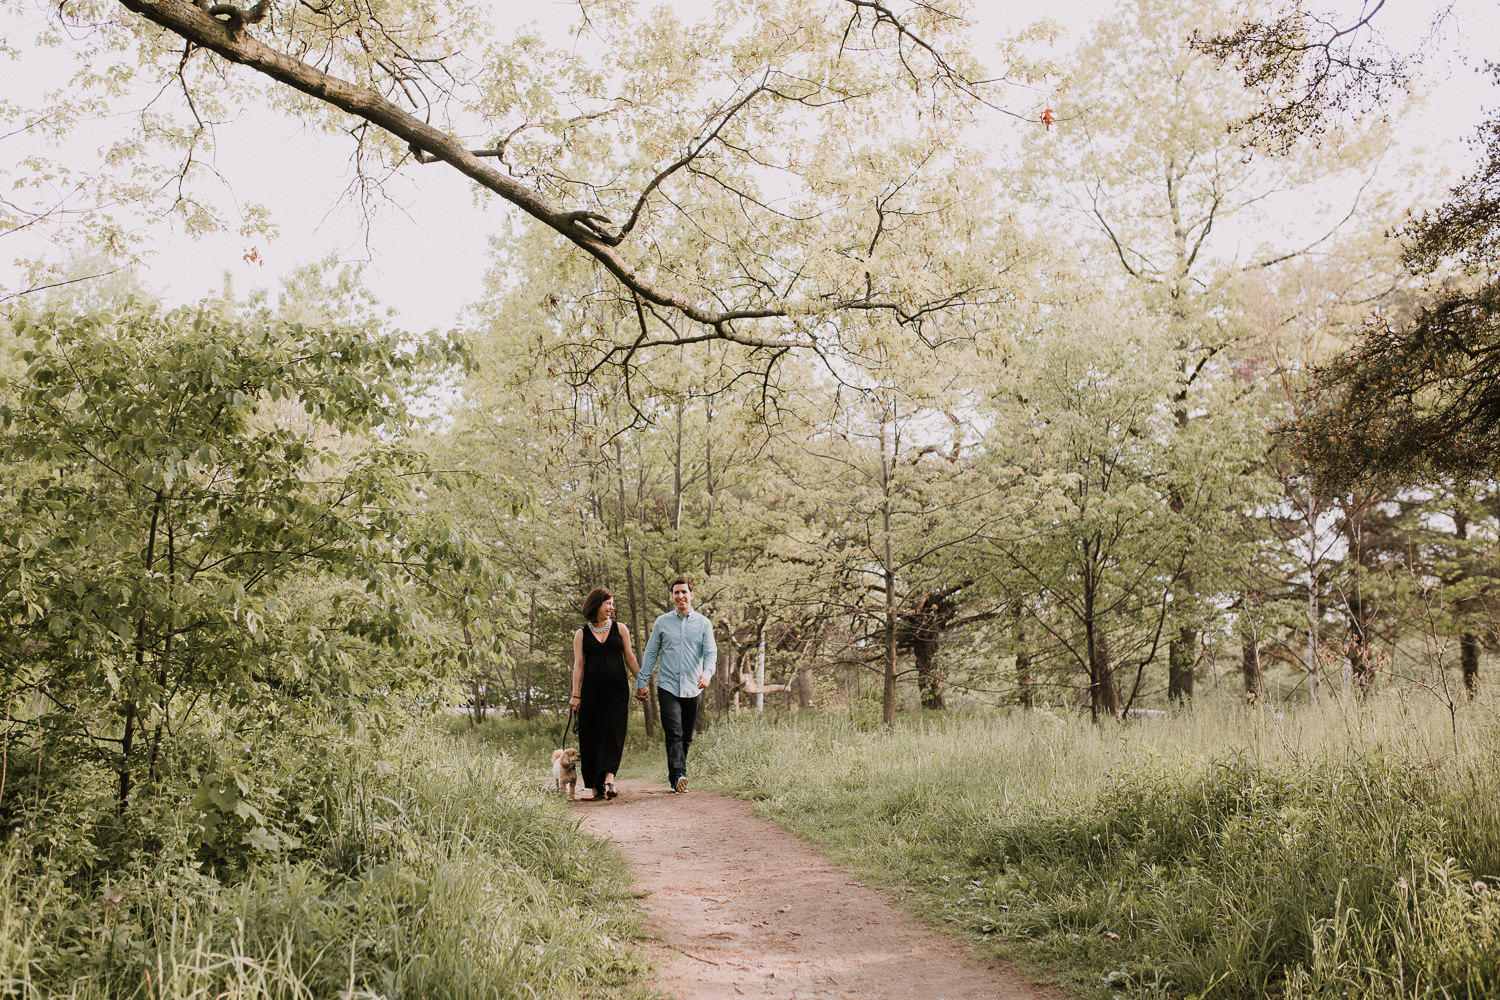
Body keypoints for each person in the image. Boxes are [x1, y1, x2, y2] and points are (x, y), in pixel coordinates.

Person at [635, 577, 717, 793]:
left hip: (694, 687)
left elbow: (710, 653)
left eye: (683, 592)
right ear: (672, 597)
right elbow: (652, 653)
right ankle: (678, 775)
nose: (680, 596)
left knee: (687, 735)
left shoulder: (703, 623)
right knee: (674, 732)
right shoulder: (662, 622)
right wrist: (641, 680)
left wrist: (707, 674)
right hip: (668, 686)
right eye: (676, 592)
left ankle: (679, 773)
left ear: (691, 594)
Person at [569, 588, 640, 801]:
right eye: (608, 603)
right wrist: (575, 694)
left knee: (615, 732)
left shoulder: (621, 629)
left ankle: (610, 778)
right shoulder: (581, 634)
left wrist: (641, 681)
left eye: (612, 604)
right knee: (591, 736)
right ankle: (595, 786)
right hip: (591, 693)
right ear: (596, 604)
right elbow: (578, 664)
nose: (611, 608)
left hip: (617, 691)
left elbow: (630, 658)